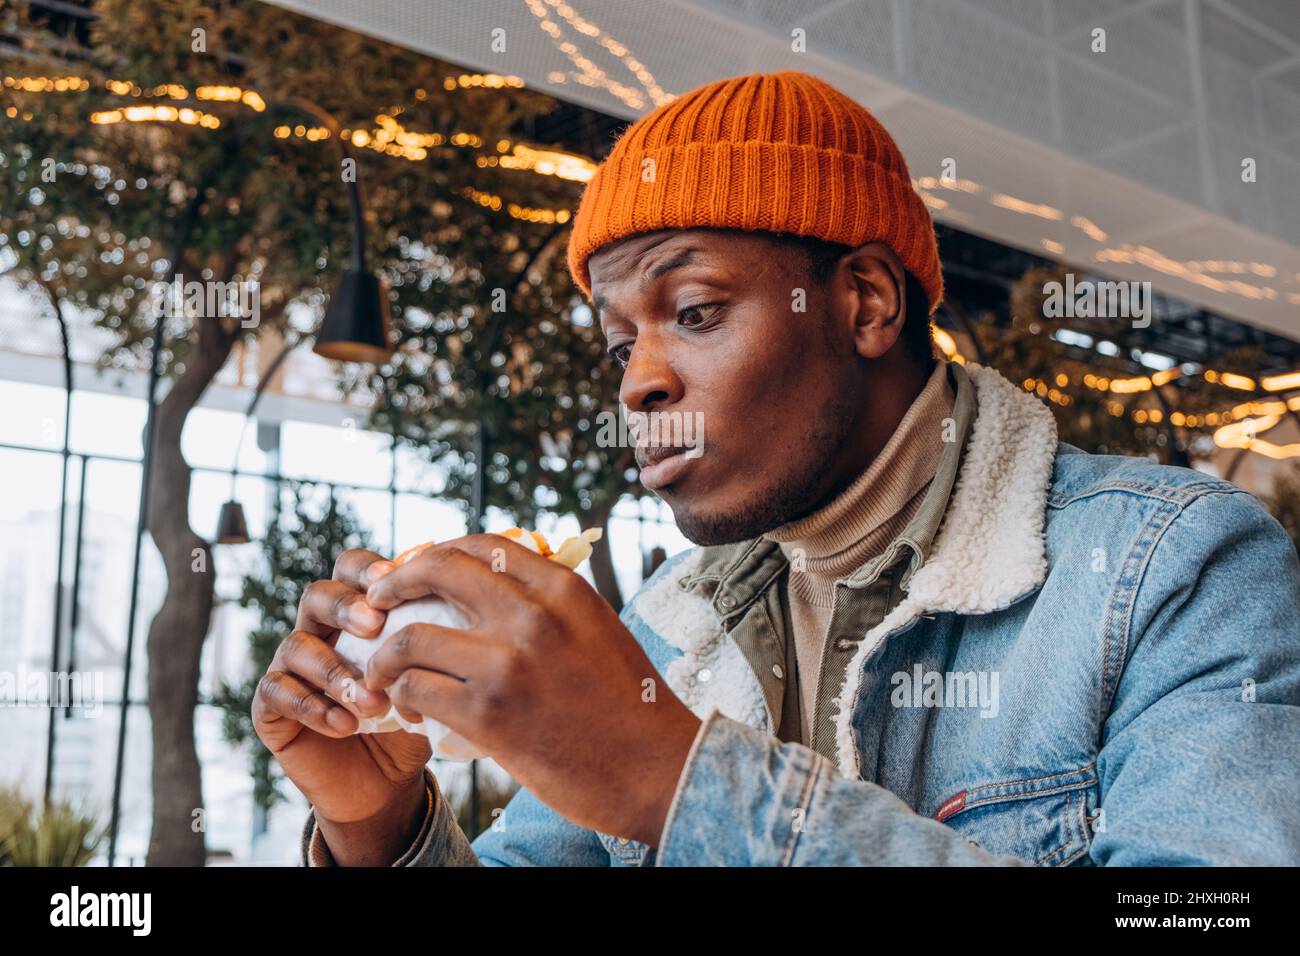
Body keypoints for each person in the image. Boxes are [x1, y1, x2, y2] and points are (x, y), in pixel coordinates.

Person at [252, 71, 1300, 867]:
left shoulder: (1173, 565)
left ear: (865, 304)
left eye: (695, 311)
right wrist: (374, 821)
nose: (636, 385)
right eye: (619, 345)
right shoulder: (666, 621)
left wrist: (673, 776)